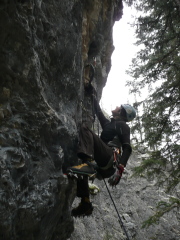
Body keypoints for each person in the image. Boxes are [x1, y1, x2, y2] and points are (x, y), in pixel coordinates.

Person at [67, 84, 136, 217]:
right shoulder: (110, 125)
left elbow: (127, 147)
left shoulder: (123, 126)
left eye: (119, 107)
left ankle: (88, 162)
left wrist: (120, 169)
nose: (116, 107)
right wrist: (93, 95)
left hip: (109, 157)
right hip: (104, 165)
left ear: (122, 112)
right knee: (80, 170)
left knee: (85, 129)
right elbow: (98, 112)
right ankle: (85, 202)